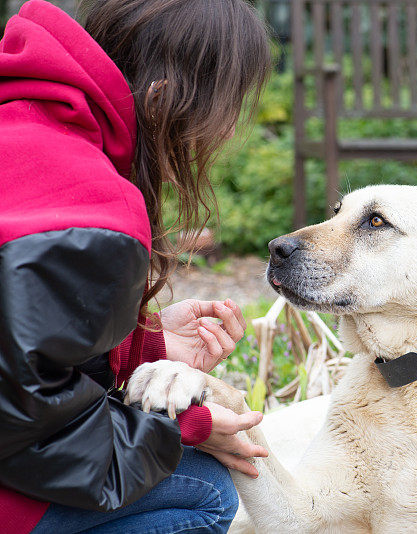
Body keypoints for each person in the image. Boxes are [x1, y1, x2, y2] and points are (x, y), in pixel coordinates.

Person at [0, 0, 272, 532]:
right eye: (226, 110)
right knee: (207, 492)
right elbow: (24, 428)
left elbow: (15, 333)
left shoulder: (24, 117)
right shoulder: (95, 208)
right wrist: (185, 428)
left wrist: (140, 342)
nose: (224, 134)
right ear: (166, 99)